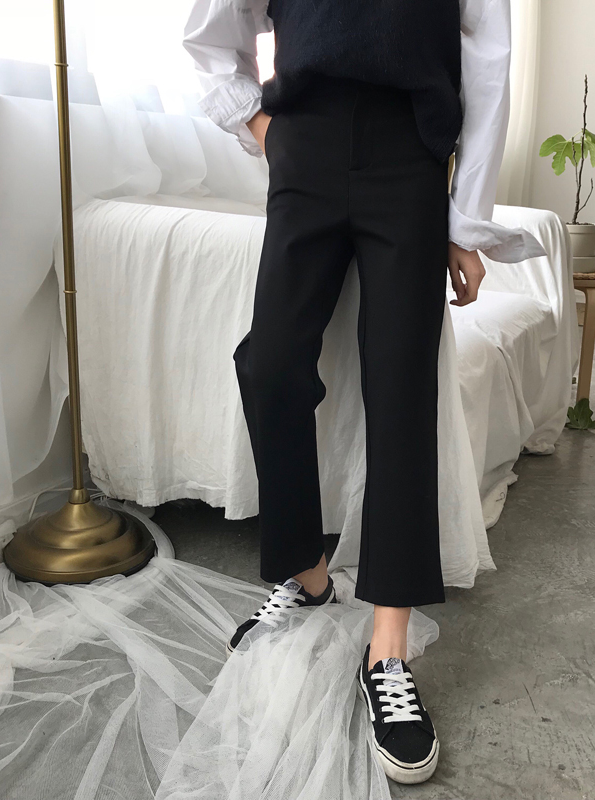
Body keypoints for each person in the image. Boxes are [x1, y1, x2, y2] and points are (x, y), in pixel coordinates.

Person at [183, 0, 543, 784]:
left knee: (402, 385)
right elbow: (210, 34)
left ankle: (388, 649)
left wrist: (467, 221)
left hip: (409, 155)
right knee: (271, 365)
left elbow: (488, 61)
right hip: (303, 142)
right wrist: (264, 129)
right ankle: (307, 572)